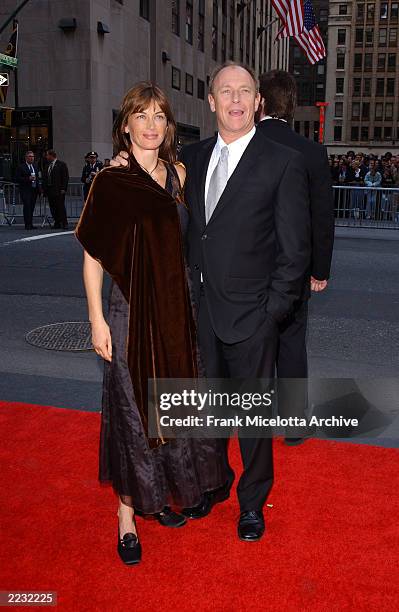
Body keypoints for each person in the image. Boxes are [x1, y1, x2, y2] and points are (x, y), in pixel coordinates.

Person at [113, 63, 311, 543]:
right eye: (227, 91)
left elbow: (295, 249)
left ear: (258, 102)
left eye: (245, 91)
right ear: (212, 101)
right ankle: (213, 483)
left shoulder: (280, 161)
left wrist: (272, 313)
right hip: (196, 313)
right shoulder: (192, 160)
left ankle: (252, 501)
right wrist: (122, 167)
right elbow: (155, 187)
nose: (237, 99)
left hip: (253, 317)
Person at [75, 82, 227, 565]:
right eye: (141, 116)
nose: (151, 125)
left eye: (159, 116)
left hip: (176, 310)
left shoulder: (180, 175)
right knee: (132, 413)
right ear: (125, 125)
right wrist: (97, 319)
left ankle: (157, 497)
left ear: (168, 127)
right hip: (126, 310)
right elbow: (93, 257)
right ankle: (126, 514)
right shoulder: (109, 181)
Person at [257, 70, 335, 444]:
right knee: (291, 342)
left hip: (247, 268)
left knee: (250, 343)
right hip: (294, 268)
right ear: (291, 106)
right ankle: (292, 422)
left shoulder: (243, 144)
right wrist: (319, 269)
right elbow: (322, 217)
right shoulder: (312, 152)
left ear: (260, 101)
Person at [43, 150, 69, 229]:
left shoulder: (61, 164)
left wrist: (63, 188)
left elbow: (65, 177)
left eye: (47, 155)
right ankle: (57, 222)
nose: (46, 157)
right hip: (50, 190)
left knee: (60, 207)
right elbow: (45, 178)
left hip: (59, 190)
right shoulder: (47, 166)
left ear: (51, 156)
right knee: (53, 207)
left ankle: (64, 223)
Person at [15, 150, 41, 230]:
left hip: (34, 190)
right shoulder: (21, 167)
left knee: (32, 207)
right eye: (30, 156)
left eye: (32, 156)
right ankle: (27, 224)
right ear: (26, 158)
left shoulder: (35, 166)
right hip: (25, 190)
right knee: (27, 206)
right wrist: (27, 178)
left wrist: (39, 188)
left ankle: (31, 223)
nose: (31, 158)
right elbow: (17, 178)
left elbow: (38, 178)